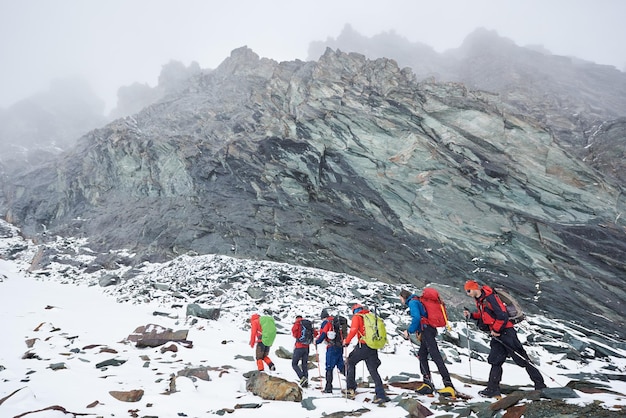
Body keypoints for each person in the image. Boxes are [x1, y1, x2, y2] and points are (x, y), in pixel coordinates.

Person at [463, 280, 546, 398]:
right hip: (498, 333)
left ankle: (540, 384)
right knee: (495, 360)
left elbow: (502, 315)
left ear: (474, 288)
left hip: (506, 332)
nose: (468, 293)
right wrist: (471, 315)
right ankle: (493, 389)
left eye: (468, 290)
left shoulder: (490, 298)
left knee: (521, 358)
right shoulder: (481, 300)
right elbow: (485, 316)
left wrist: (496, 330)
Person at [399, 289, 456, 397]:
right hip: (428, 330)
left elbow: (416, 317)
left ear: (403, 296)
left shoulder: (412, 302)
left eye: (400, 298)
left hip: (426, 331)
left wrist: (409, 331)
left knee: (436, 356)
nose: (400, 300)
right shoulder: (417, 300)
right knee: (422, 355)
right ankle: (427, 383)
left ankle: (448, 386)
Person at [342, 304, 390, 404]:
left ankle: (350, 388)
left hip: (363, 345)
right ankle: (380, 394)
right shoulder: (370, 316)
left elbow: (353, 330)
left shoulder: (357, 317)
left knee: (350, 361)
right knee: (373, 370)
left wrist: (346, 341)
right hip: (372, 346)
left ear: (354, 311)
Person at [314, 308, 346, 393]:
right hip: (340, 345)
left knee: (329, 367)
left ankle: (328, 388)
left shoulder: (326, 323)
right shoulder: (336, 321)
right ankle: (351, 383)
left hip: (331, 347)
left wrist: (316, 341)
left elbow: (323, 334)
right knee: (341, 365)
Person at [291, 315, 315, 387]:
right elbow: (315, 333)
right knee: (304, 365)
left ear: (296, 319)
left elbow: (294, 334)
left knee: (294, 364)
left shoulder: (298, 324)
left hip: (299, 347)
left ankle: (302, 377)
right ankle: (305, 382)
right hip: (307, 347)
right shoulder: (308, 324)